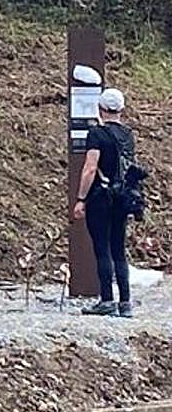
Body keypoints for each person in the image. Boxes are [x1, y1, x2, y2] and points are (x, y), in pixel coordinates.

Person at [72, 87, 136, 317]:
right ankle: (125, 302)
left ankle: (107, 299)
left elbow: (90, 168)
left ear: (100, 109)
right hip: (123, 197)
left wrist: (81, 198)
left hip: (100, 197)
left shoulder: (97, 134)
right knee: (119, 249)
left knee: (102, 248)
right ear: (121, 109)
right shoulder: (128, 135)